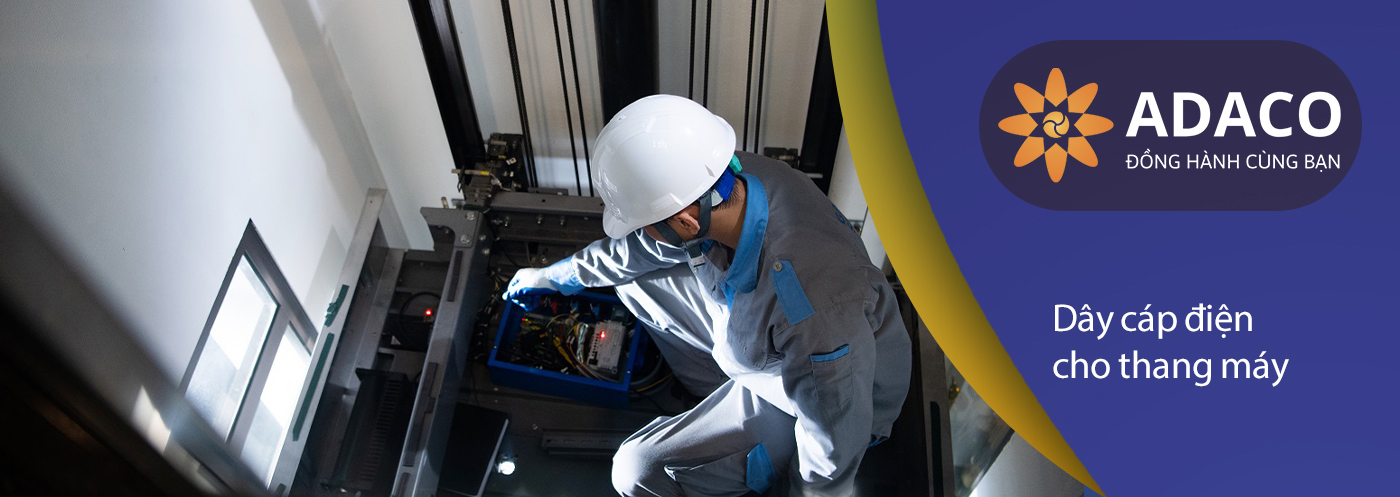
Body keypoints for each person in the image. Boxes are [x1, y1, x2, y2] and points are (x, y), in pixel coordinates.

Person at [504, 95, 911, 496]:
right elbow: (635, 254)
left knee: (635, 470)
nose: (643, 233)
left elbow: (834, 447)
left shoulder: (813, 311)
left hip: (816, 404)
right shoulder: (722, 175)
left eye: (645, 224)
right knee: (632, 282)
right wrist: (553, 277)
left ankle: (731, 436)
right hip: (761, 345)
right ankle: (714, 391)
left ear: (685, 220)